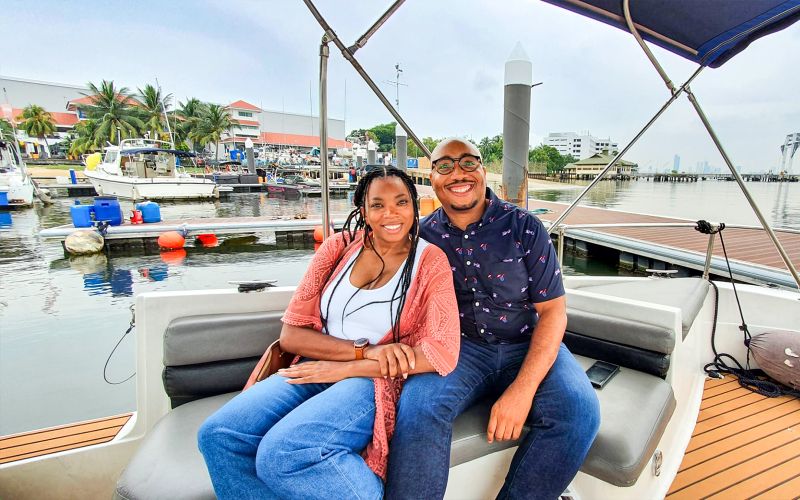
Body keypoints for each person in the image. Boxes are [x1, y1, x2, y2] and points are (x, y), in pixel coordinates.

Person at [198, 167, 460, 500]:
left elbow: (442, 351)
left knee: (283, 453)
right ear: (362, 210)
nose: (391, 214)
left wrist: (350, 367)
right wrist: (362, 351)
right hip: (316, 363)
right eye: (377, 205)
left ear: (414, 207)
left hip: (371, 380)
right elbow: (292, 336)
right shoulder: (339, 247)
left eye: (401, 202)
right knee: (219, 435)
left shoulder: (429, 260)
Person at [386, 138, 600, 500]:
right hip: (459, 349)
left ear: (484, 171)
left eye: (469, 163)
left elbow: (552, 312)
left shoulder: (525, 227)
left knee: (579, 412)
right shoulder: (420, 237)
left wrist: (522, 390)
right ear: (432, 177)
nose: (458, 173)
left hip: (526, 342)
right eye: (444, 165)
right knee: (418, 410)